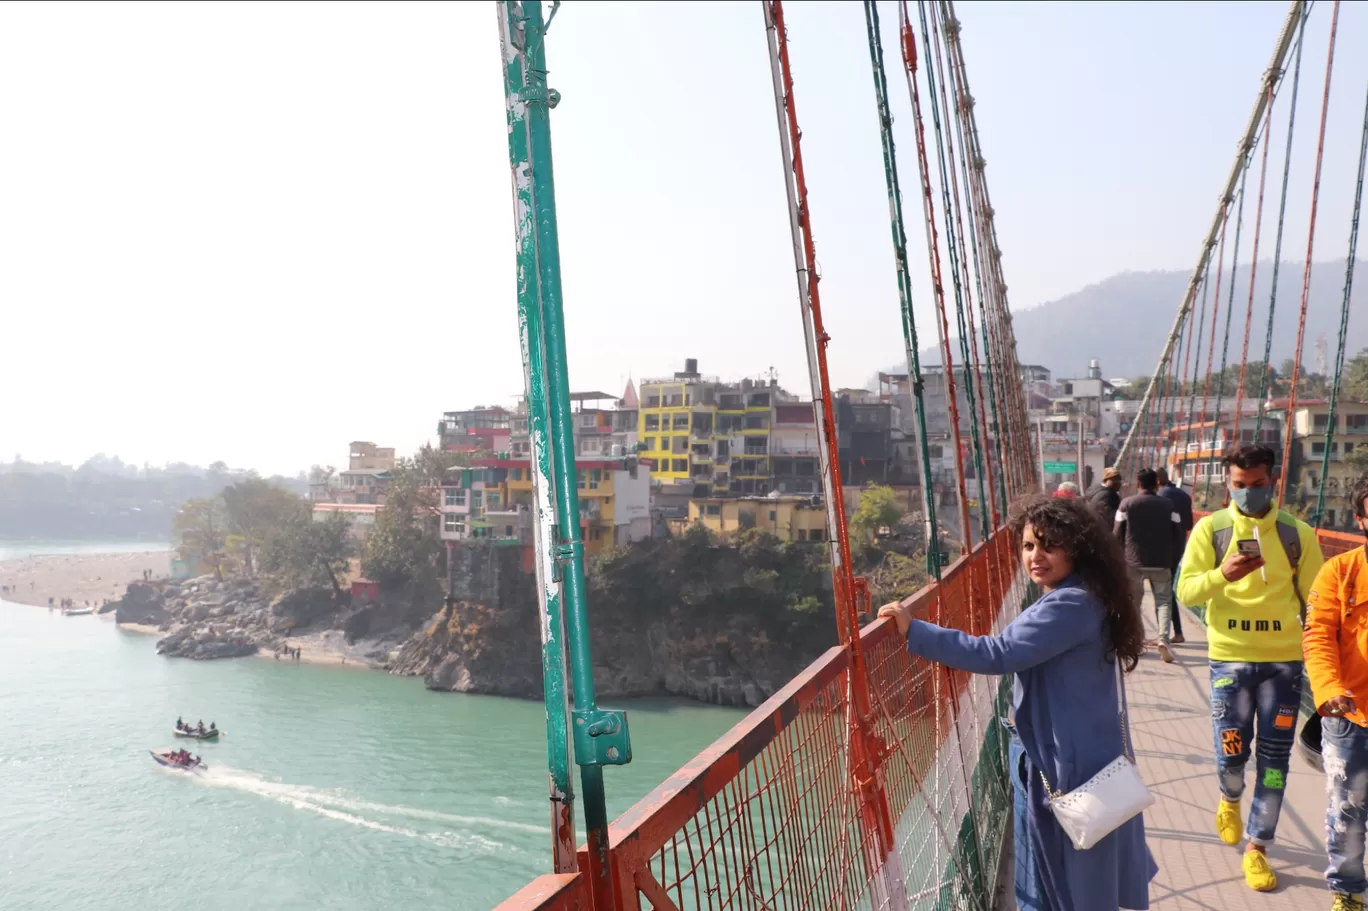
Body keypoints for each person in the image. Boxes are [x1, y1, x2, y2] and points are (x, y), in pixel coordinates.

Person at [879, 494, 1156, 910]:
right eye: (1028, 546)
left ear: (1077, 548)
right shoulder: (1089, 594)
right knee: (1077, 877)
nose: (1036, 556)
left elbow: (997, 654)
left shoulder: (1068, 604)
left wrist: (914, 631)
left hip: (1065, 770)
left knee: (1056, 881)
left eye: (1050, 545)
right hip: (1085, 759)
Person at [1177, 442, 1324, 892]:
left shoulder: (1296, 534)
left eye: (1257, 485)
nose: (1248, 495)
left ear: (1272, 482)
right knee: (1231, 757)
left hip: (1283, 664)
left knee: (1275, 762)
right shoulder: (1212, 531)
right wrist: (1225, 574)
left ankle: (1258, 847)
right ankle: (1229, 798)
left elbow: (1317, 602)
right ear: (1228, 483)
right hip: (1229, 660)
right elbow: (1187, 592)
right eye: (1239, 486)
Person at [1304, 474, 1368, 911]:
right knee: (1347, 813)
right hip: (1350, 715)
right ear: (1361, 517)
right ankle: (1347, 893)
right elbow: (1319, 636)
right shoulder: (1340, 574)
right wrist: (1328, 689)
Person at [1115, 468, 1185, 663]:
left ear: (1138, 485)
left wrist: (1120, 559)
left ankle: (1137, 640)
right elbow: (1178, 534)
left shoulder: (1126, 504)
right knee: (1164, 601)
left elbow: (1117, 534)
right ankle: (1163, 639)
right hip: (1162, 561)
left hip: (1133, 561)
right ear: (1156, 484)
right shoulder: (1169, 505)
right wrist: (1174, 559)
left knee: (1134, 601)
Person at [1156, 468, 1192, 643]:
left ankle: (1170, 633)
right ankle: (1177, 632)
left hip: (1163, 546)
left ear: (1156, 481)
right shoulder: (1184, 495)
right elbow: (1189, 523)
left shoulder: (1161, 497)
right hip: (1179, 545)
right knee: (1167, 587)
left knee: (1162, 590)